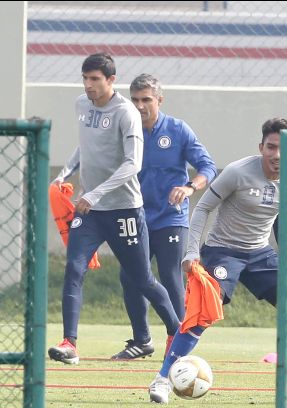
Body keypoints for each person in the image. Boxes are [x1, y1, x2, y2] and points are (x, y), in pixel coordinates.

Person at [147, 118, 287, 406]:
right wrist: (191, 251)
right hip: (223, 251)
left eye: (282, 148)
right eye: (270, 147)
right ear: (261, 147)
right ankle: (161, 380)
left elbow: (282, 223)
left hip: (261, 253)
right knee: (202, 315)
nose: (276, 154)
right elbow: (203, 208)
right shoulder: (237, 172)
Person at [48, 53, 181, 365]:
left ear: (111, 80)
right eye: (85, 78)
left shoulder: (126, 113)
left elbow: (132, 164)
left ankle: (177, 332)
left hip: (124, 210)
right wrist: (64, 173)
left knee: (143, 278)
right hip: (90, 213)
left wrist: (94, 194)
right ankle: (70, 343)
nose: (89, 85)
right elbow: (86, 144)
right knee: (74, 269)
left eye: (95, 79)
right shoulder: (81, 104)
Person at [110, 74, 218, 360]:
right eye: (135, 100)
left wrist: (189, 187)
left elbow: (208, 166)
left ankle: (181, 344)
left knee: (171, 277)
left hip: (171, 218)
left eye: (146, 99)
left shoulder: (178, 130)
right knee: (130, 276)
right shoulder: (125, 129)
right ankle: (142, 340)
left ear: (159, 100)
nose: (140, 105)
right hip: (135, 215)